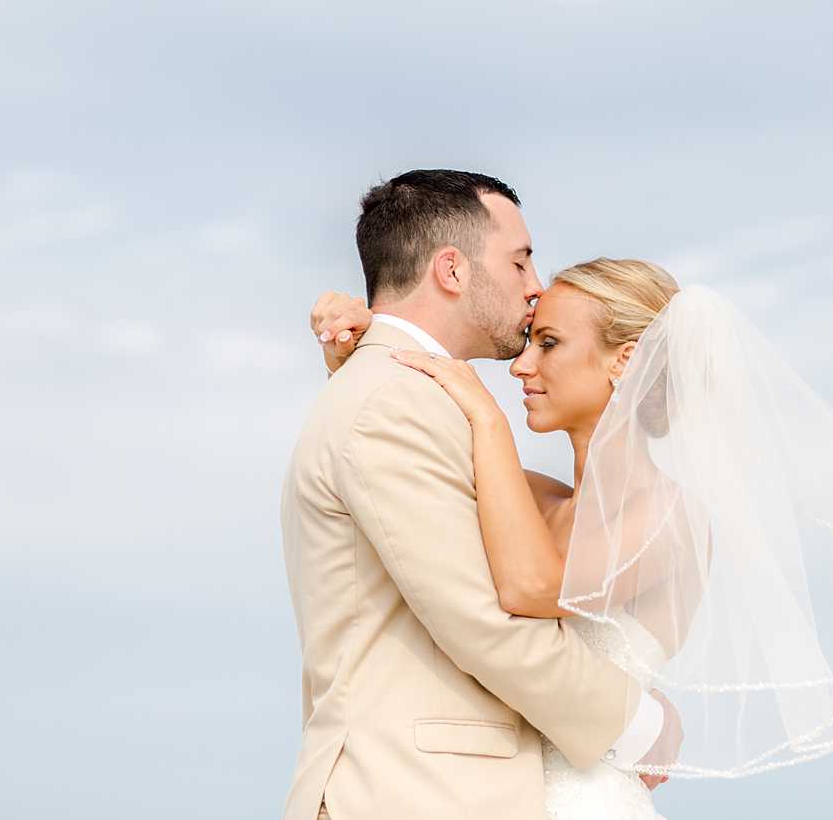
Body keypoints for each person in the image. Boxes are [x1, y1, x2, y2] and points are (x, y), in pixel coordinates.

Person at [279, 170, 680, 820]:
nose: (534, 285)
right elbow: (487, 624)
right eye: (520, 259)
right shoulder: (393, 402)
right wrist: (640, 722)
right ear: (452, 270)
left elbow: (512, 579)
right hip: (413, 794)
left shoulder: (410, 400)